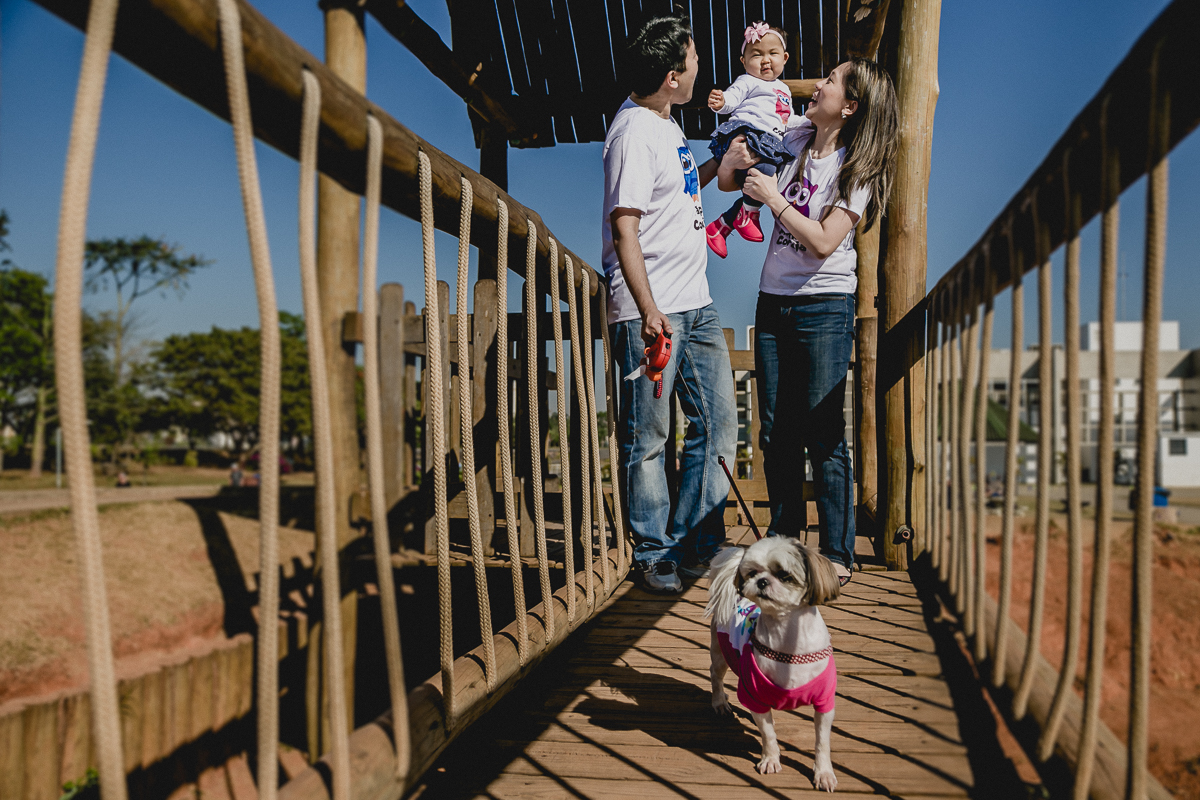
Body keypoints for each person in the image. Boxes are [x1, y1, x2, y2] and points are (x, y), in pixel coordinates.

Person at [719, 58, 898, 586]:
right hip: (773, 301)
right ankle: (784, 546)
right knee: (775, 430)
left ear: (849, 105)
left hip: (825, 305)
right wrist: (734, 154)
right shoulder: (794, 136)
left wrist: (772, 197)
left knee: (823, 433)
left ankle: (838, 556)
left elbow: (823, 242)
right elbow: (732, 182)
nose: (816, 85)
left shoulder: (856, 169)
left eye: (830, 81)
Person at [604, 14, 738, 594]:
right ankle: (653, 552)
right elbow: (625, 227)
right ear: (670, 75)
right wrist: (648, 306)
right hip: (651, 310)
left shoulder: (667, 124)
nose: (700, 66)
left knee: (720, 426)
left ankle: (689, 543)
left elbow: (679, 192)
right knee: (650, 437)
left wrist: (721, 166)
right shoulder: (633, 132)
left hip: (698, 303)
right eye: (692, 59)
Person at [703, 21, 794, 259]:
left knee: (768, 182)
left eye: (772, 53)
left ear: (784, 58)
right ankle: (747, 215)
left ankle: (720, 227)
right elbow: (733, 97)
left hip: (769, 142)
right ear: (744, 62)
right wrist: (722, 102)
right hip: (747, 134)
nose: (765, 60)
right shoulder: (748, 81)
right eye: (757, 54)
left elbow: (786, 119)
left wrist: (807, 123)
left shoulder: (784, 89)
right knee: (765, 170)